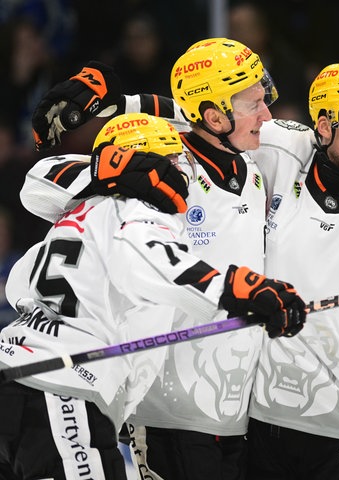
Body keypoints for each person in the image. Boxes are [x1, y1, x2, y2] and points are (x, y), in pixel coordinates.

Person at [27, 57, 339, 478]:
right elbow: (209, 114)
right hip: (259, 423)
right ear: (324, 124)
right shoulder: (282, 152)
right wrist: (124, 105)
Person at [24, 38, 305, 480]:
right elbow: (38, 184)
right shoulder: (166, 163)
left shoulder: (259, 157)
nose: (268, 115)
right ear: (215, 115)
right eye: (255, 104)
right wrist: (104, 171)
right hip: (166, 407)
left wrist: (125, 102)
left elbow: (330, 147)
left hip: (239, 408)